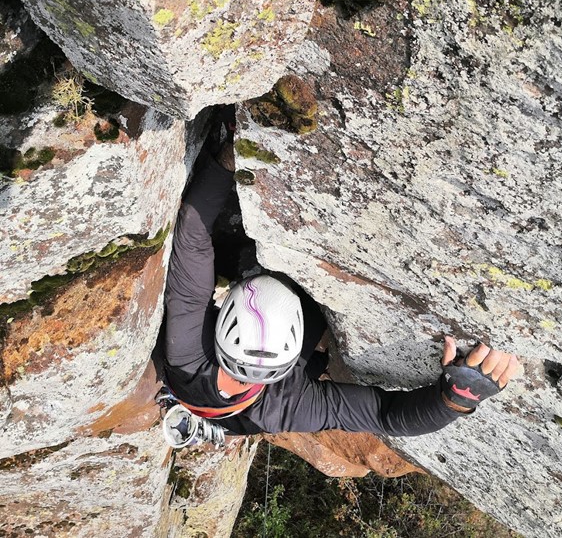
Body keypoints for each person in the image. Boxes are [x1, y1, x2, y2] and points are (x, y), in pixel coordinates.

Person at [162, 132, 519, 443]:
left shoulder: (188, 354)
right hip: (243, 410)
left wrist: (230, 157)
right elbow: (385, 417)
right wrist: (458, 398)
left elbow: (192, 240)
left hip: (215, 400)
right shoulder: (285, 408)